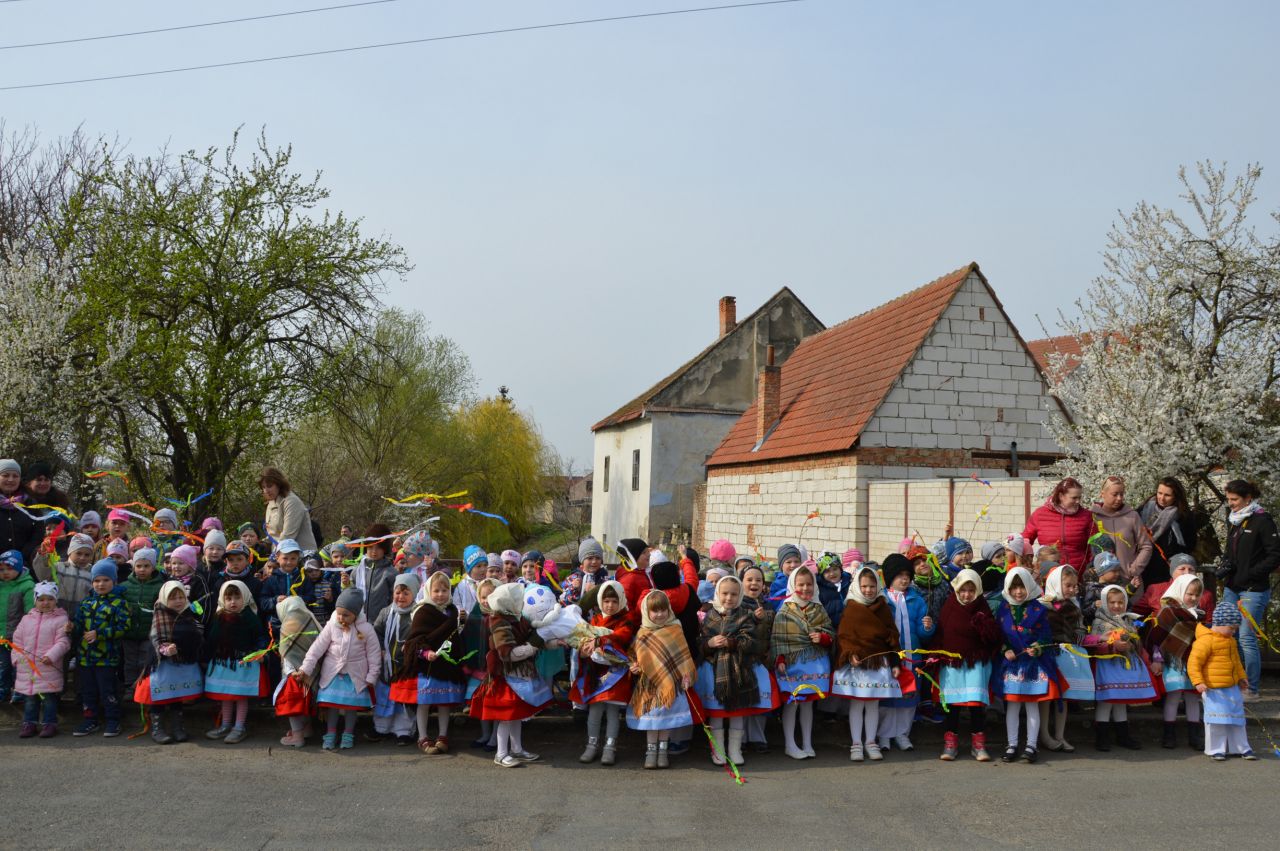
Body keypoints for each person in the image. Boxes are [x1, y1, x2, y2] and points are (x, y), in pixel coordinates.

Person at [695, 575, 777, 768]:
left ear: (739, 595)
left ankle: (735, 749)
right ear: (718, 593)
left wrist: (732, 642)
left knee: (737, 712)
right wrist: (709, 644)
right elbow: (700, 642)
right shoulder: (710, 616)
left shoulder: (745, 615)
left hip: (740, 670)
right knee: (716, 713)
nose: (729, 598)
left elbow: (752, 642)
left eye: (734, 594)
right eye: (725, 593)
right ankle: (718, 750)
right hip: (714, 671)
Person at [469, 582, 550, 768]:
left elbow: (530, 638)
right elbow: (507, 653)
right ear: (508, 602)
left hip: (517, 675)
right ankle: (501, 753)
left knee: (516, 715)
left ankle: (516, 749)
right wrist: (532, 648)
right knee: (506, 716)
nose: (522, 603)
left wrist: (550, 643)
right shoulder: (499, 621)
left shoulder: (517, 619)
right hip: (504, 676)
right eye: (518, 600)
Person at [297, 587, 381, 751]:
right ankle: (330, 733)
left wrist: (372, 676)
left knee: (351, 707)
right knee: (333, 705)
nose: (341, 618)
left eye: (346, 615)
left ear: (356, 613)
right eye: (339, 613)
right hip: (333, 673)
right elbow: (317, 647)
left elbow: (374, 654)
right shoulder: (332, 625)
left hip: (355, 675)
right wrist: (306, 668)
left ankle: (348, 733)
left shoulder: (366, 629)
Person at [832, 565, 902, 763]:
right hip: (858, 665)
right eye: (864, 586)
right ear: (857, 586)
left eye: (872, 586)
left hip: (879, 663)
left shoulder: (883, 607)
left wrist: (895, 663)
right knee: (856, 704)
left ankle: (871, 742)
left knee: (873, 704)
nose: (868, 590)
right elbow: (844, 636)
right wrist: (850, 654)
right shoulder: (851, 608)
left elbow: (893, 637)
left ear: (877, 586)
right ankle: (856, 744)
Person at [1219, 478, 1280, 700]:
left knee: (1246, 637)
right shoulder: (1235, 520)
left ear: (1248, 498)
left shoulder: (1262, 521)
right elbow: (1233, 551)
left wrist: (1251, 572)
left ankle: (1251, 688)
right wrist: (1226, 565)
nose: (1231, 503)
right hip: (1232, 586)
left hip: (1253, 589)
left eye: (1234, 499)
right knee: (1227, 634)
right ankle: (1233, 682)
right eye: (1228, 499)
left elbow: (1275, 555)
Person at [626, 590, 698, 770]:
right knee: (652, 721)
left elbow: (683, 656)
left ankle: (663, 751)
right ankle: (651, 752)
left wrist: (685, 675)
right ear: (646, 611)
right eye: (655, 611)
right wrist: (634, 667)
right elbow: (634, 656)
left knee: (666, 720)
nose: (659, 614)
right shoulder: (642, 633)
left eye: (663, 610)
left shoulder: (675, 629)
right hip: (650, 685)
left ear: (669, 610)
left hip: (672, 684)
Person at [935, 568, 1000, 762]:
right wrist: (934, 656)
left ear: (978, 590)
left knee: (975, 704)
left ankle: (978, 745)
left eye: (971, 590)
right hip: (952, 664)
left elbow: (994, 638)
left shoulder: (982, 608)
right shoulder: (949, 607)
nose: (966, 595)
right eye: (963, 590)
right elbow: (941, 635)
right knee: (953, 705)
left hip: (976, 663)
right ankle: (950, 744)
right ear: (957, 589)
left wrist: (983, 625)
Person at [994, 567, 1058, 764]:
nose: (1018, 592)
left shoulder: (1038, 609)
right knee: (1012, 706)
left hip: (1032, 665)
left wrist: (1037, 647)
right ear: (1008, 588)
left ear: (1029, 585)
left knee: (1032, 705)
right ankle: (1011, 744)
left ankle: (1031, 745)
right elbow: (997, 635)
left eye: (1022, 587)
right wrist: (1005, 649)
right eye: (1014, 588)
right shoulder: (1003, 609)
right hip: (1012, 665)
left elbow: (1046, 635)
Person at [1084, 584, 1158, 751]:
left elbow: (1137, 642)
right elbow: (1095, 645)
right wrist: (1113, 645)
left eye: (1120, 602)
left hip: (1125, 666)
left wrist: (1140, 652)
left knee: (1121, 701)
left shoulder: (1128, 621)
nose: (1117, 606)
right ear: (1105, 602)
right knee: (1106, 701)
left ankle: (1123, 736)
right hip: (1108, 666)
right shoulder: (1099, 622)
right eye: (1112, 602)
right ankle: (1102, 738)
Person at [770, 564, 833, 760]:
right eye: (801, 584)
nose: (805, 588)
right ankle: (790, 743)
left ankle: (807, 742)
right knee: (792, 703)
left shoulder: (819, 609)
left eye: (809, 584)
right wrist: (780, 658)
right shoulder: (785, 610)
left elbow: (830, 633)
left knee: (808, 705)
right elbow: (778, 638)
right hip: (792, 665)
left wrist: (823, 638)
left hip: (815, 663)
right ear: (792, 585)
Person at [402, 572, 468, 754]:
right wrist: (426, 652)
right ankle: (422, 737)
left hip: (446, 665)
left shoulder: (453, 611)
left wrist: (462, 622)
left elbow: (456, 636)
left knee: (443, 703)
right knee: (424, 703)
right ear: (428, 591)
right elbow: (414, 641)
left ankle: (442, 736)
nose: (440, 594)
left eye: (445, 590)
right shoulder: (422, 612)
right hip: (427, 666)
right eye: (436, 590)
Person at [572, 579, 635, 766]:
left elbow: (622, 636)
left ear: (621, 600)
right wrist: (583, 649)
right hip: (597, 673)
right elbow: (585, 638)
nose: (610, 605)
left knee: (613, 712)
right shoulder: (595, 620)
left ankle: (610, 747)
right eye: (606, 601)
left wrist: (600, 640)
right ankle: (591, 745)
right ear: (600, 601)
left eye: (614, 601)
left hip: (616, 674)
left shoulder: (626, 619)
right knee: (595, 710)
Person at [201, 580, 269, 745]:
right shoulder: (219, 617)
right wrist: (206, 657)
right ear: (222, 599)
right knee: (226, 695)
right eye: (229, 598)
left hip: (243, 664)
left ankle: (239, 727)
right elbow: (212, 639)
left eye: (237, 598)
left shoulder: (250, 617)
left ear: (245, 597)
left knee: (240, 696)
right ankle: (225, 725)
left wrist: (260, 652)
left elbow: (260, 637)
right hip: (223, 663)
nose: (233, 602)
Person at [877, 554, 933, 752]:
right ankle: (884, 735)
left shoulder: (916, 600)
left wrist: (927, 627)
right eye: (900, 575)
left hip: (912, 656)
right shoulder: (882, 600)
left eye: (907, 575)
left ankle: (902, 733)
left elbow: (923, 634)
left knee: (909, 696)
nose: (905, 579)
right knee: (888, 697)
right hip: (889, 657)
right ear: (890, 577)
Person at [70, 559, 132, 737]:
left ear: (114, 581)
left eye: (106, 580)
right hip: (85, 658)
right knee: (87, 691)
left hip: (107, 658)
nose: (101, 584)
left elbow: (123, 627)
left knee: (108, 690)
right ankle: (90, 720)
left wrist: (100, 634)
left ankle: (113, 721)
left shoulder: (120, 603)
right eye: (96, 580)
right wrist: (72, 627)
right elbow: (79, 626)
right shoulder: (86, 603)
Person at [1188, 600, 1256, 760]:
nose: (1233, 632)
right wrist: (1198, 682)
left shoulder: (1230, 641)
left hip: (1232, 686)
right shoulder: (1205, 641)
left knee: (1237, 718)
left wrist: (1241, 677)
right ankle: (1215, 749)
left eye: (1235, 629)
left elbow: (1236, 662)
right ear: (1220, 623)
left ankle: (1241, 747)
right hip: (1213, 688)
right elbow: (1194, 663)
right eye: (1231, 628)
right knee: (1216, 720)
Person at [1145, 574, 1207, 751]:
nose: (1193, 598)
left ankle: (1194, 736)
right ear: (1180, 591)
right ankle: (1169, 734)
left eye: (1197, 594)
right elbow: (1156, 639)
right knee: (1173, 697)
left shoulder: (1199, 615)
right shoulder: (1168, 612)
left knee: (1193, 698)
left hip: (1193, 662)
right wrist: (1156, 659)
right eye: (1190, 594)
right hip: (1173, 662)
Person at [143, 581, 204, 744]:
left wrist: (185, 645)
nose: (178, 601)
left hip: (181, 663)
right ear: (164, 598)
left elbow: (196, 636)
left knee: (176, 696)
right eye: (172, 598)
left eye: (181, 597)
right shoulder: (160, 614)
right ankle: (157, 729)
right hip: (163, 665)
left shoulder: (190, 614)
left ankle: (178, 728)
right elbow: (156, 638)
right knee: (159, 697)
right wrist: (165, 649)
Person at [1038, 566, 1089, 753]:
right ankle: (1044, 734)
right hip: (1048, 655)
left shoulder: (1074, 607)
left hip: (1067, 655)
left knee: (1063, 696)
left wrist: (1082, 638)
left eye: (1074, 586)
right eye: (1068, 585)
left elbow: (1080, 631)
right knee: (1047, 697)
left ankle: (1060, 735)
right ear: (1055, 583)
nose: (1072, 589)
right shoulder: (1042, 605)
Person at [12, 580, 70, 738]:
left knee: (49, 698)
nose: (46, 603)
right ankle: (29, 723)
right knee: (30, 698)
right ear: (35, 600)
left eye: (50, 599)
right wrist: (17, 658)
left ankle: (49, 723)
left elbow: (63, 642)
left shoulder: (60, 619)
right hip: (27, 667)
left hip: (48, 667)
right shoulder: (26, 619)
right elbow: (17, 641)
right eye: (41, 599)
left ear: (56, 600)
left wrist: (51, 655)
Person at [372, 573, 421, 746]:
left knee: (404, 699)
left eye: (406, 593)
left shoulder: (417, 614)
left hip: (406, 666)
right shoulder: (386, 612)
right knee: (385, 696)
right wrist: (380, 648)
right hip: (387, 664)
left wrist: (412, 646)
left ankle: (404, 731)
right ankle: (381, 728)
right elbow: (376, 632)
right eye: (398, 592)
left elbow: (421, 634)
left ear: (414, 594)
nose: (401, 597)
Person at [736, 561, 776, 754]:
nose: (754, 583)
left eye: (758, 580)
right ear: (741, 582)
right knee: (743, 700)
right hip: (742, 661)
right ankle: (741, 738)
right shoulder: (737, 605)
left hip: (763, 661)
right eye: (749, 579)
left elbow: (773, 632)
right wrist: (753, 619)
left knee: (762, 699)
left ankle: (758, 737)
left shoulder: (768, 605)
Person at [275, 596, 322, 748]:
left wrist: (290, 672)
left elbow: (287, 654)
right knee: (307, 704)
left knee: (294, 707)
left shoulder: (287, 626)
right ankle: (307, 729)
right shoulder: (311, 620)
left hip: (293, 677)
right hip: (310, 674)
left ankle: (297, 736)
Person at [1091, 476, 1152, 591]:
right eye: (1115, 494)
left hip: (1130, 582)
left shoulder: (1132, 516)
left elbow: (1146, 546)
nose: (1119, 498)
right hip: (1102, 584)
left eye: (1122, 494)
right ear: (1103, 494)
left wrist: (1134, 569)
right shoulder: (1093, 517)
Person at [1022, 477, 1094, 574]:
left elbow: (1094, 544)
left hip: (1077, 573)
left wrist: (1091, 565)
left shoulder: (1086, 516)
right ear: (1061, 496)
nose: (1078, 501)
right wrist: (1026, 562)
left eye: (1079, 497)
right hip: (1048, 572)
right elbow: (1026, 539)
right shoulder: (1040, 514)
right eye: (1074, 498)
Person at [119, 547, 164, 690]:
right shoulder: (124, 586)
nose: (142, 569)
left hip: (148, 633)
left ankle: (143, 688)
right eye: (138, 566)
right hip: (129, 632)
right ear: (133, 566)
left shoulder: (160, 586)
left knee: (145, 661)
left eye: (146, 566)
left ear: (153, 567)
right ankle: (129, 687)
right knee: (130, 661)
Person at [1139, 477, 1195, 586]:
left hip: (1168, 569)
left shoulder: (1184, 516)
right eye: (1159, 493)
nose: (1162, 498)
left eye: (1167, 495)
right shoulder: (1144, 509)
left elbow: (1190, 544)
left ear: (1176, 496)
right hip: (1144, 566)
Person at [1133, 553, 1215, 619]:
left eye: (1191, 569)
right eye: (1182, 569)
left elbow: (1210, 622)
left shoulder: (1205, 595)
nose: (1187, 573)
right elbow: (1136, 613)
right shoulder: (1155, 589)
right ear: (1172, 571)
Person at [0, 549, 35, 701]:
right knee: (4, 665)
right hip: (1, 635)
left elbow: (30, 612)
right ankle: (3, 690)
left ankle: (19, 691)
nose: (5, 573)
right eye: (2, 569)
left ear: (19, 568)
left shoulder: (27, 586)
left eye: (9, 568)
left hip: (18, 636)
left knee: (19, 665)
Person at [259, 467, 317, 551]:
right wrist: (262, 544)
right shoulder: (271, 504)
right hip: (280, 554)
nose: (266, 490)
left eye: (269, 486)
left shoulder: (292, 501)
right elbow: (273, 535)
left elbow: (288, 537)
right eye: (263, 487)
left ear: (279, 484)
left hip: (302, 554)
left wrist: (274, 556)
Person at [0, 460, 44, 564]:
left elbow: (38, 532)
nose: (11, 479)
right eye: (5, 475)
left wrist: (22, 556)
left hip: (23, 564)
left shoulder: (30, 503)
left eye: (15, 476)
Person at [350, 524, 395, 619]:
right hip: (358, 620)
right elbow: (350, 595)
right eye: (370, 547)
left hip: (381, 622)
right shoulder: (358, 571)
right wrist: (345, 585)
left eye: (378, 547)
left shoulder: (391, 573)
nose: (374, 551)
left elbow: (393, 600)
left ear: (385, 548)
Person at [766, 543, 803, 611]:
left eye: (796, 561)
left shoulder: (804, 580)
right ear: (781, 565)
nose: (793, 565)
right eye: (788, 562)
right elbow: (776, 606)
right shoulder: (777, 584)